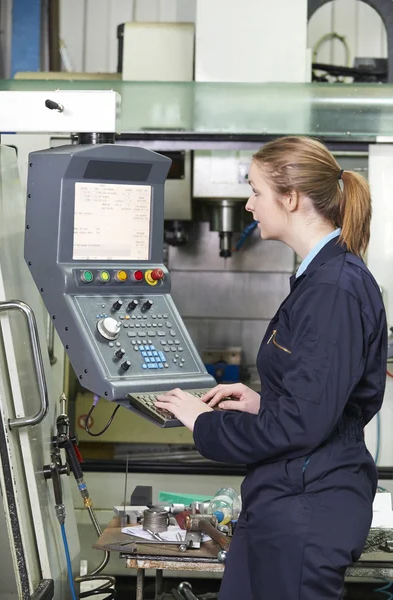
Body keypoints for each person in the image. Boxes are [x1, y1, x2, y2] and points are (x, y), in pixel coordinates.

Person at [155, 136, 387, 599]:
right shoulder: (321, 278)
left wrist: (204, 424)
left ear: (292, 198)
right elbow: (319, 402)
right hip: (288, 499)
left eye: (256, 191)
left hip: (306, 508)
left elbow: (300, 426)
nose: (248, 203)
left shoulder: (333, 289)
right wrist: (266, 403)